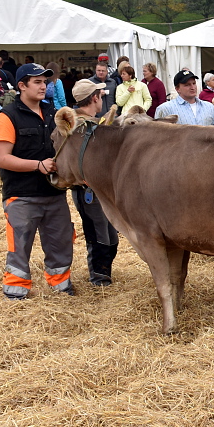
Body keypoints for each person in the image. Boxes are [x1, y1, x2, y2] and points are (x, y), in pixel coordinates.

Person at [0, 63, 74, 299]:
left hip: (54, 193)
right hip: (22, 195)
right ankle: (16, 292)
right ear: (21, 86)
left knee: (60, 243)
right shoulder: (6, 116)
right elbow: (3, 159)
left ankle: (61, 286)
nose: (44, 86)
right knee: (19, 246)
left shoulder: (52, 113)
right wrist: (37, 166)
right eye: (37, 82)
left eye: (45, 82)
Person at [69, 79, 120, 287]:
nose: (102, 99)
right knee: (98, 231)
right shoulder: (77, 127)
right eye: (101, 96)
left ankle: (105, 273)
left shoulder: (91, 123)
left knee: (110, 233)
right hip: (87, 188)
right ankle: (99, 277)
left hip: (103, 188)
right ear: (94, 98)